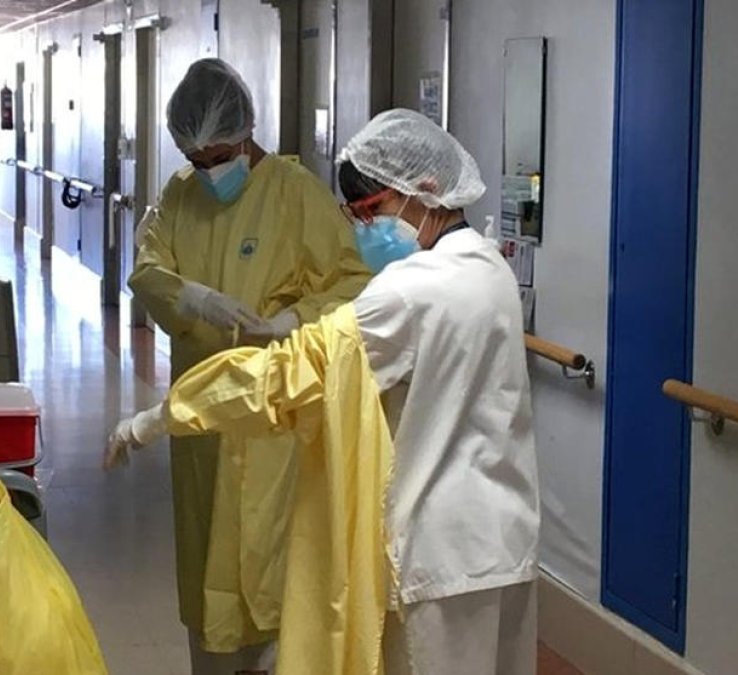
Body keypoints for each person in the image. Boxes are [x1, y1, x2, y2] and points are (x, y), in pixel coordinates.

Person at [111, 108, 539, 674]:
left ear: (426, 191)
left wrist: (161, 417)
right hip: (505, 543)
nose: (363, 229)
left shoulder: (411, 292)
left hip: (437, 554)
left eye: (371, 211)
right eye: (355, 215)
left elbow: (286, 377)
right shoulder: (488, 267)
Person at [125, 58, 371, 673]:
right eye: (198, 159)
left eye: (220, 155)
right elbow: (147, 269)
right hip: (204, 416)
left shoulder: (297, 194)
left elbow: (350, 285)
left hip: (276, 418)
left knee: (272, 557)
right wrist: (192, 296)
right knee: (207, 554)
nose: (210, 171)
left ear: (246, 133)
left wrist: (293, 320)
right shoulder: (179, 195)